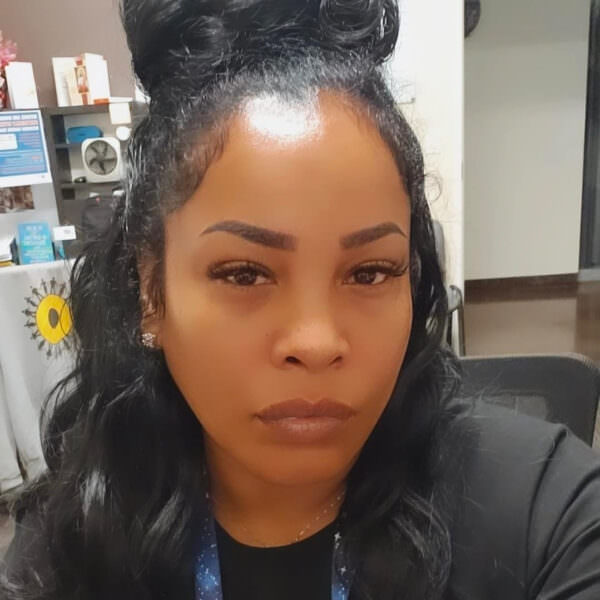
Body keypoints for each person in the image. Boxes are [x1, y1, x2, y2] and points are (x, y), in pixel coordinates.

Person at [2, 1, 600, 599]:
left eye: (369, 272)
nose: (316, 342)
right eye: (244, 274)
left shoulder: (546, 516)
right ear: (150, 292)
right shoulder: (70, 543)